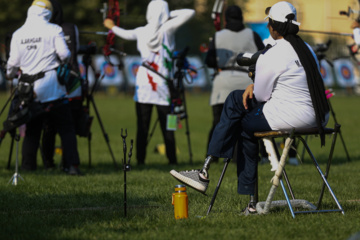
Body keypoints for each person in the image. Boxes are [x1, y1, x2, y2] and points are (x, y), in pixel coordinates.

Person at [170, 1, 330, 213]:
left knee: (242, 117)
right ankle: (208, 173)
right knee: (238, 103)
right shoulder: (306, 48)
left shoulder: (272, 54)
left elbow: (262, 96)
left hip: (292, 117)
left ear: (272, 26)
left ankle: (212, 176)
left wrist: (254, 84)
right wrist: (253, 85)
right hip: (318, 116)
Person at [103, 0, 195, 165]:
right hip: (163, 86)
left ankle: (140, 161)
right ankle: (172, 161)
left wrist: (111, 26)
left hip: (144, 84)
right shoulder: (168, 28)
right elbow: (190, 13)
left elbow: (123, 33)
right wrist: (168, 15)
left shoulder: (141, 31)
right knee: (169, 126)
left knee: (142, 126)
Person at [6, 0, 81, 175]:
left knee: (32, 130)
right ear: (47, 13)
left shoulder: (18, 34)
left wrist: (10, 73)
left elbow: (12, 66)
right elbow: (65, 54)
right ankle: (72, 166)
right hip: (54, 89)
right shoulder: (54, 30)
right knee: (66, 129)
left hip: (29, 92)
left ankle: (28, 167)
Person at [205, 5, 265, 161]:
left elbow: (210, 61)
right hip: (246, 82)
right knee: (244, 123)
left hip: (223, 82)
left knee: (218, 123)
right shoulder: (252, 34)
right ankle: (241, 156)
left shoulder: (218, 36)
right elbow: (265, 57)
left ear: (226, 19)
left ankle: (212, 157)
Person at [41, 0, 85, 172]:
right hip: (73, 81)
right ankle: (68, 164)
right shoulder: (71, 28)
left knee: (49, 126)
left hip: (52, 83)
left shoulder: (47, 30)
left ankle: (48, 163)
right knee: (69, 127)